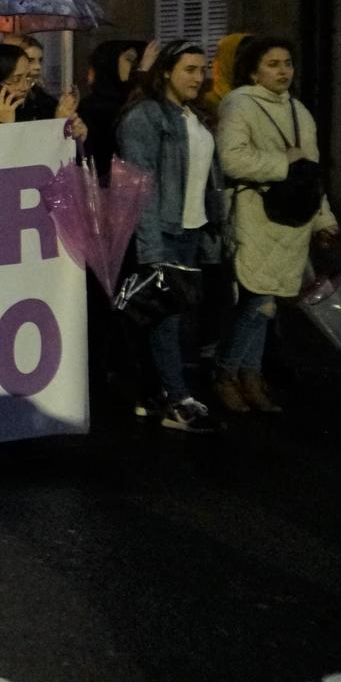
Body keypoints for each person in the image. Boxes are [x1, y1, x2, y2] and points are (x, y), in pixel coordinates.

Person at [214, 36, 338, 413]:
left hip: (292, 220)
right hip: (256, 216)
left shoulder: (300, 110)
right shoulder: (239, 103)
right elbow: (232, 159)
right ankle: (226, 373)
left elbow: (310, 175)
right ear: (253, 71)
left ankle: (250, 377)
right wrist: (284, 163)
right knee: (258, 302)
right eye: (272, 64)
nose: (283, 70)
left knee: (266, 305)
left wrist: (324, 220)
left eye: (287, 63)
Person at [115, 41, 224, 433]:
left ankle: (160, 392)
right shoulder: (146, 117)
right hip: (162, 229)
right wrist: (150, 246)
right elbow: (138, 185)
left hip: (190, 229)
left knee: (170, 316)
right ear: (165, 72)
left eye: (202, 70)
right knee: (165, 316)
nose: (199, 77)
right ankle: (177, 398)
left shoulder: (193, 115)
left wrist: (214, 227)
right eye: (189, 70)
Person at [79, 40, 147, 180]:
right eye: (129, 60)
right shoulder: (92, 107)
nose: (134, 67)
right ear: (109, 62)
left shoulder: (133, 101)